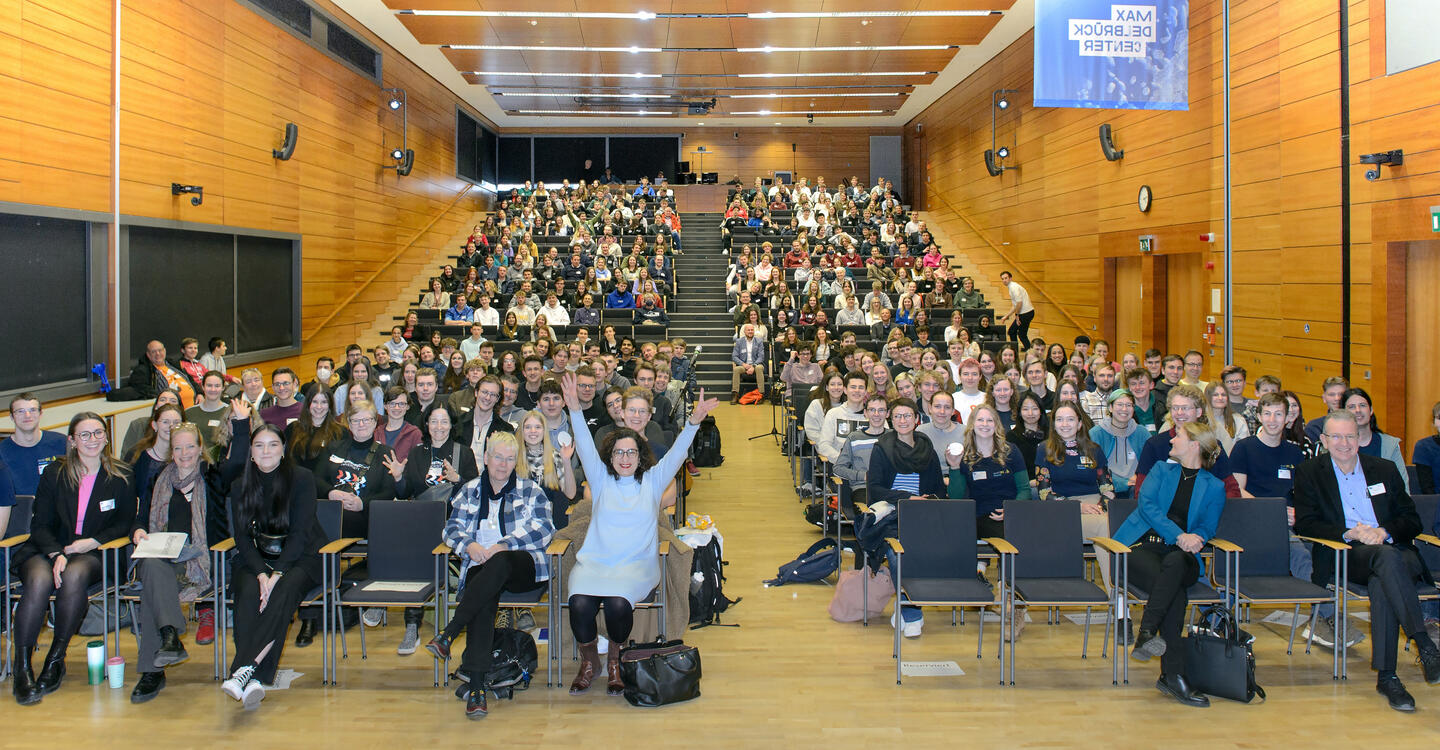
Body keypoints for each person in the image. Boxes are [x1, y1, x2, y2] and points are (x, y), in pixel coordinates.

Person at [558, 372, 717, 696]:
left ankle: (615, 659)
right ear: (610, 456)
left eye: (631, 452)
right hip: (596, 563)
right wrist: (574, 410)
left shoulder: (653, 481)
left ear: (640, 456)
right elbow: (586, 449)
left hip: (636, 565)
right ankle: (591, 661)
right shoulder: (601, 481)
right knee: (579, 604)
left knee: (618, 605)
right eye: (619, 452)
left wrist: (694, 423)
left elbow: (676, 454)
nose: (625, 458)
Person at [1294, 410, 1440, 712]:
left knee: (1384, 571)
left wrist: (1383, 531)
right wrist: (1350, 533)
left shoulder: (1384, 469)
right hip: (1346, 553)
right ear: (1324, 440)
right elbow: (1305, 524)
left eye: (1350, 436)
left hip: (1395, 551)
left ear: (1359, 438)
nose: (1344, 443)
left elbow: (1411, 520)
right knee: (1382, 569)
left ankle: (1388, 676)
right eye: (1336, 436)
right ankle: (1423, 644)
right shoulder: (1310, 471)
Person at [423, 430, 555, 719]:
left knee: (500, 561)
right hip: (481, 566)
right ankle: (479, 689)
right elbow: (451, 529)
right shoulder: (470, 490)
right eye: (498, 457)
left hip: (523, 566)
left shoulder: (530, 490)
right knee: (484, 595)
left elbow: (545, 529)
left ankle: (450, 632)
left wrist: (502, 545)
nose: (503, 464)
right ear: (486, 458)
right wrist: (468, 545)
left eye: (510, 459)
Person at [129, 400, 251, 703]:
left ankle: (153, 670)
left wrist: (240, 424)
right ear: (172, 451)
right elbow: (142, 516)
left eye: (189, 448)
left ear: (200, 447)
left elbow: (237, 462)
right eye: (178, 449)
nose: (184, 455)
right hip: (163, 555)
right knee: (154, 567)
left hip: (202, 560)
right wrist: (138, 531)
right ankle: (170, 637)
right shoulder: (160, 479)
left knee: (152, 589)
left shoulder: (212, 476)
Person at [10, 413, 135, 706]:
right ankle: (23, 667)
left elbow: (125, 523)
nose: (92, 440)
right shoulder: (55, 473)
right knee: (40, 581)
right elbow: (39, 524)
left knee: (74, 576)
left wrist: (91, 542)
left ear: (106, 436)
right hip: (47, 547)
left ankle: (56, 657)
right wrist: (57, 553)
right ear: (71, 440)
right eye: (84, 434)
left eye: (97, 433)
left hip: (94, 551)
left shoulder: (121, 474)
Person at [1112, 421, 1228, 708]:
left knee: (1175, 566)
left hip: (1182, 555)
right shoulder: (1162, 470)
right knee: (1173, 590)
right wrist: (1179, 535)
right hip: (1143, 547)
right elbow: (1147, 506)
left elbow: (1208, 527)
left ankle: (1148, 632)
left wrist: (1196, 538)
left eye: (1179, 435)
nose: (1172, 439)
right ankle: (1173, 675)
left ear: (1194, 445)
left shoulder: (1214, 486)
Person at [220, 423, 327, 710]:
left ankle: (243, 668)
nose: (266, 451)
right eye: (259, 445)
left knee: (283, 592)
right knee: (247, 593)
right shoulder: (239, 485)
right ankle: (253, 678)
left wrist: (277, 574)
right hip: (255, 557)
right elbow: (241, 537)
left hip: (301, 555)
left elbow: (301, 532)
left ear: (283, 451)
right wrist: (261, 573)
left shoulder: (302, 478)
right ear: (251, 453)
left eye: (273, 445)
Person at [385, 402, 479, 655]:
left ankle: (461, 621)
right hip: (423, 522)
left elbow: (477, 492)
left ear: (451, 424)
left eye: (444, 421)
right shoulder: (416, 453)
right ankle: (412, 625)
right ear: (426, 424)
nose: (439, 427)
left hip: (454, 521)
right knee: (415, 562)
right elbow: (407, 493)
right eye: (434, 421)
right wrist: (397, 478)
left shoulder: (463, 452)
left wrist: (457, 479)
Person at [868, 397, 944, 637]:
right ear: (891, 419)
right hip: (891, 516)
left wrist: (924, 501)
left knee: (926, 554)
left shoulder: (926, 449)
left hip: (922, 515)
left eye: (907, 416)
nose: (902, 421)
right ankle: (912, 612)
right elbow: (875, 489)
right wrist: (908, 499)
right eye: (898, 416)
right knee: (899, 555)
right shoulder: (882, 448)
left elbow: (939, 489)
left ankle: (903, 605)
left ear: (916, 419)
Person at [0, 393, 70, 496]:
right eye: (20, 411)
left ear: (40, 414)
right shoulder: (2, 451)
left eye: (32, 410)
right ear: (11, 417)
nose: (27, 415)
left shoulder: (62, 443)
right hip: (18, 510)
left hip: (56, 509)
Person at [1090, 390, 1148, 499]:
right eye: (1120, 404)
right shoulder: (1096, 434)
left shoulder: (1142, 433)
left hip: (1135, 487)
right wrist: (1122, 483)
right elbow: (1093, 467)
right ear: (1110, 407)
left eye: (1129, 405)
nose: (1124, 409)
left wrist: (1139, 478)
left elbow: (1151, 462)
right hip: (1105, 486)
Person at [997, 271, 1035, 349]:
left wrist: (1017, 315)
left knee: (1016, 333)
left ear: (1010, 278)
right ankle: (1023, 350)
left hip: (1025, 313)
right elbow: (1015, 306)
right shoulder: (1012, 287)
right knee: (1018, 333)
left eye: (1006, 278)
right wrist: (1006, 316)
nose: (1004, 280)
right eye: (1002, 279)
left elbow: (1019, 303)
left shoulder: (1013, 287)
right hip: (1027, 313)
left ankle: (1018, 351)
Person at [730, 323, 767, 404]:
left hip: (756, 364)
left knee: (759, 368)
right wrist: (743, 364)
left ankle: (761, 394)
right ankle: (735, 394)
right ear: (744, 331)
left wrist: (753, 366)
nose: (750, 331)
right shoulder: (739, 342)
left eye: (752, 330)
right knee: (736, 369)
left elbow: (761, 357)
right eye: (748, 330)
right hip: (744, 365)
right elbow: (734, 356)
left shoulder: (759, 341)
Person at [1413, 401, 1440, 494]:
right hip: (1435, 504)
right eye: (1439, 418)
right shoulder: (1424, 446)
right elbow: (1427, 489)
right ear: (1434, 422)